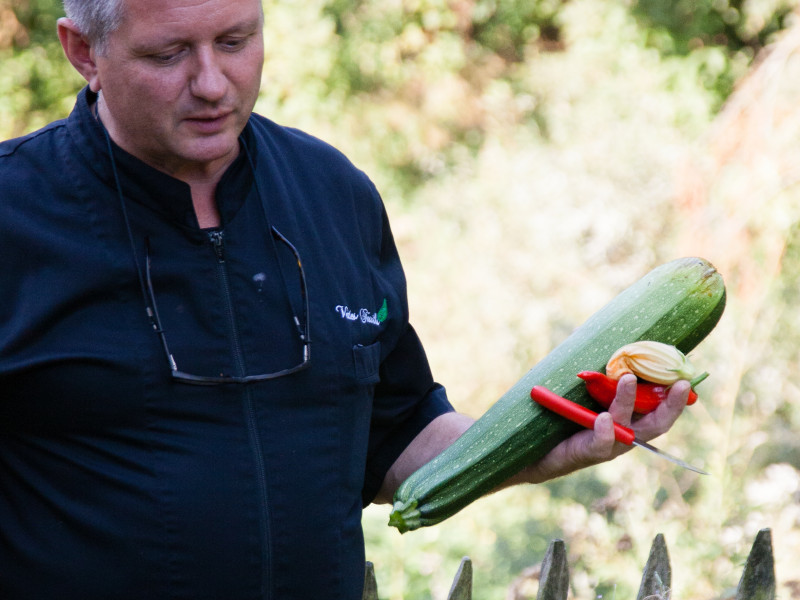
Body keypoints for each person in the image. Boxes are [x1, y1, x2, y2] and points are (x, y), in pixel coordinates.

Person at [0, 0, 692, 598]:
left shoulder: (332, 193)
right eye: (169, 53)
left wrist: (543, 446)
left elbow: (395, 434)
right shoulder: (14, 217)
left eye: (236, 41)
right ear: (82, 51)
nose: (212, 83)